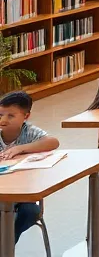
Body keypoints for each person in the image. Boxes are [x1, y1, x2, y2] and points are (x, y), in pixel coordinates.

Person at [0, 91, 60, 243]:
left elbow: (53, 142)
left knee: (31, 212)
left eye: (11, 116)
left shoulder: (29, 131)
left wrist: (21, 148)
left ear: (26, 117)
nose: (3, 120)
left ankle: (7, 245)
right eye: (0, 114)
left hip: (24, 195)